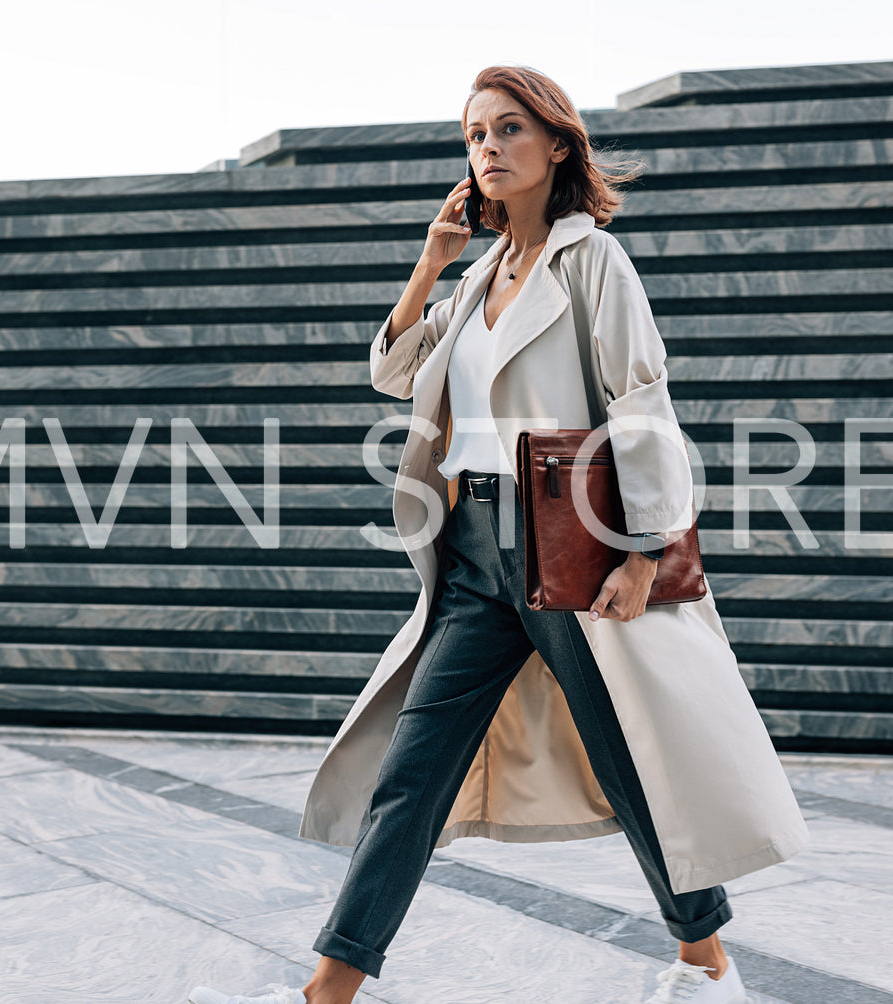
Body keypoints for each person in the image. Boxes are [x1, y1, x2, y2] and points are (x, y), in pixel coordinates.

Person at [190, 64, 808, 1004]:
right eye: (475, 135)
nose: (488, 149)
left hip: (567, 541)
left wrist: (644, 554)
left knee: (628, 759)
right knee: (411, 775)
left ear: (557, 143)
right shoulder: (478, 274)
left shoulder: (591, 260)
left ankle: (704, 962)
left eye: (509, 129)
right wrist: (431, 260)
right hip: (473, 549)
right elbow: (395, 374)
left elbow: (642, 406)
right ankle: (327, 990)